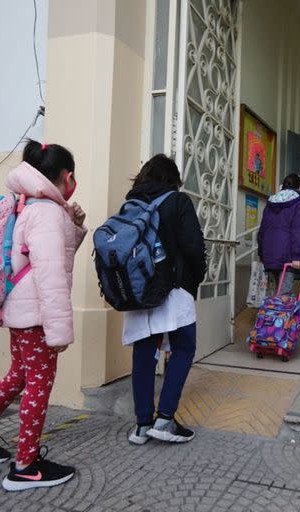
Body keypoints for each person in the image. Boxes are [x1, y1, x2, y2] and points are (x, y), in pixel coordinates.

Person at [0, 140, 86, 491]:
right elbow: (50, 274)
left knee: (19, 375)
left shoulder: (29, 205)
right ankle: (26, 465)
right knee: (38, 383)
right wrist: (59, 332)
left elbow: (48, 256)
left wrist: (74, 224)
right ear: (67, 177)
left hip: (20, 310)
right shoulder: (47, 213)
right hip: (36, 314)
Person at [122, 154, 207, 445]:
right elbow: (194, 248)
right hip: (173, 288)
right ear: (173, 179)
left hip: (138, 291)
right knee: (183, 347)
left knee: (144, 352)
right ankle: (165, 419)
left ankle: (143, 424)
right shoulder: (178, 202)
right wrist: (196, 278)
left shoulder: (131, 204)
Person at [257, 173, 300, 295]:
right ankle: (279, 313)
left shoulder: (270, 202)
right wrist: (297, 256)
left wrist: (261, 253)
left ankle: (271, 313)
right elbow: (299, 231)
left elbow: (262, 230)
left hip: (269, 253)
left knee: (273, 293)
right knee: (284, 294)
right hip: (288, 255)